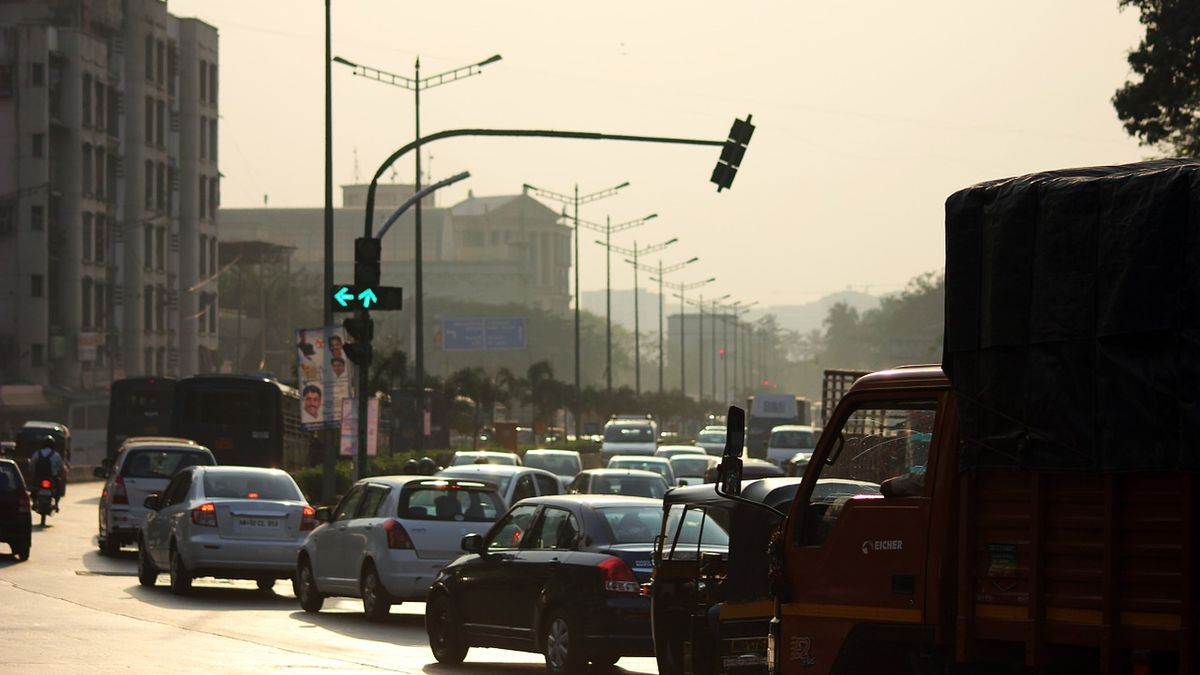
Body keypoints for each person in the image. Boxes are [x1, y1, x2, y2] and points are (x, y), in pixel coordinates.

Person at [29, 435, 65, 511]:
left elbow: (32, 466)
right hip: (52, 477)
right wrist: (61, 475)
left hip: (39, 477)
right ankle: (56, 504)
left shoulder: (37, 454)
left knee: (33, 488)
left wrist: (32, 476)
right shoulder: (56, 455)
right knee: (58, 489)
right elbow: (61, 468)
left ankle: (34, 503)